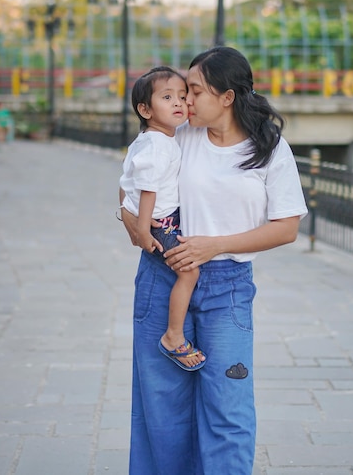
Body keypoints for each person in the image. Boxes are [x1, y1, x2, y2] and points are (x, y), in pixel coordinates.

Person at [120, 47, 308, 475]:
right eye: (182, 92)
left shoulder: (270, 150)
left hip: (227, 287)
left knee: (229, 406)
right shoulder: (176, 134)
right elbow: (130, 184)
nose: (185, 101)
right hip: (162, 278)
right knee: (162, 409)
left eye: (195, 91)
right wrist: (129, 220)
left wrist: (215, 245)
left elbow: (287, 228)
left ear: (227, 97)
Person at [119, 66, 206, 372]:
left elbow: (124, 180)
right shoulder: (157, 143)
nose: (179, 103)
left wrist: (125, 212)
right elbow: (147, 188)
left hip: (158, 216)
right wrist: (142, 229)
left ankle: (175, 332)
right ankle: (173, 336)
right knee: (189, 272)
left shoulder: (154, 138)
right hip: (160, 222)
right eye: (167, 97)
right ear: (145, 109)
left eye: (183, 96)